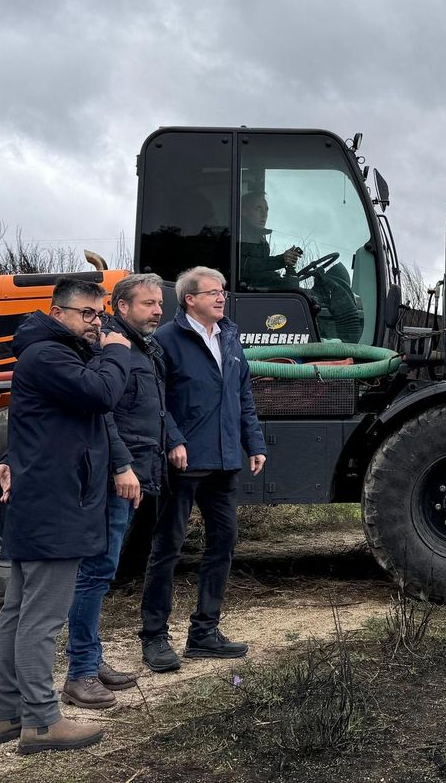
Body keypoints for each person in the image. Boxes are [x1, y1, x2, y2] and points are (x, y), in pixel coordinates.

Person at [0, 278, 133, 755]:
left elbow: (37, 423)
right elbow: (103, 394)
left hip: (43, 497)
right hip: (56, 503)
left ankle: (6, 713)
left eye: (100, 315)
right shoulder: (49, 355)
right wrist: (116, 351)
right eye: (87, 315)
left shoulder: (48, 353)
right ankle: (42, 722)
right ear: (56, 313)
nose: (96, 324)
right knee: (41, 618)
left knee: (18, 611)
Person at [140, 266, 266, 670]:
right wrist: (173, 439)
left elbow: (242, 394)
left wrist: (254, 443)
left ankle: (204, 633)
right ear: (189, 299)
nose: (221, 297)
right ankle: (155, 636)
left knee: (222, 546)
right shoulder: (166, 341)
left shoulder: (229, 337)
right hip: (185, 462)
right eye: (212, 292)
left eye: (223, 291)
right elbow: (156, 401)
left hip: (225, 461)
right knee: (168, 548)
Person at [61, 273, 167, 710]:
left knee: (103, 570)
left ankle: (91, 657)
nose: (159, 310)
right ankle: (80, 671)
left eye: (160, 303)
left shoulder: (141, 348)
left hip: (135, 472)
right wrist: (123, 466)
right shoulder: (108, 349)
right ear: (121, 308)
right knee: (96, 572)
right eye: (148, 303)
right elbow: (104, 415)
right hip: (114, 476)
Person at [238, 191, 303, 291]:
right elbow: (245, 266)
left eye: (266, 210)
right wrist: (281, 260)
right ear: (244, 211)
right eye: (258, 209)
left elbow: (262, 270)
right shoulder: (237, 237)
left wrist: (287, 260)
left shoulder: (261, 241)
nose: (264, 215)